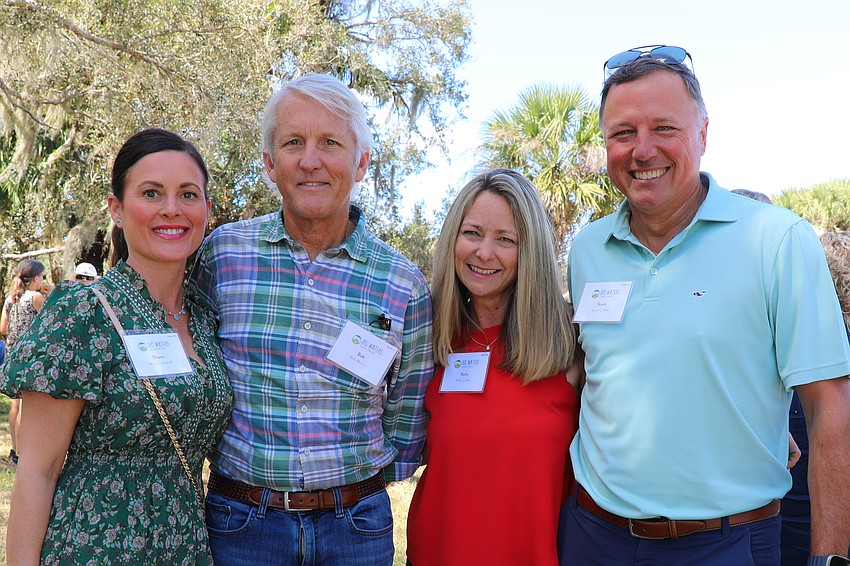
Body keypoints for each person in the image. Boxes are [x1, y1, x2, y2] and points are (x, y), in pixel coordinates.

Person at [558, 45, 850, 566]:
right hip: (592, 536)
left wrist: (828, 557)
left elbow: (829, 406)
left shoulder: (777, 240)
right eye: (623, 133)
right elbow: (594, 377)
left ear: (704, 134)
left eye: (664, 128)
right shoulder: (588, 249)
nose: (642, 150)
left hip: (725, 543)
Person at [189, 73, 434, 566]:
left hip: (356, 529)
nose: (310, 160)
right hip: (241, 526)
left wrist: (354, 487)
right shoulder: (221, 256)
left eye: (330, 143)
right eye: (293, 142)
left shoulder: (402, 282)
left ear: (361, 162)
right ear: (269, 163)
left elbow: (407, 415)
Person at [0, 128, 233, 564]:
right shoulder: (83, 313)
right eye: (151, 193)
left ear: (205, 209)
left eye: (188, 194)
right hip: (94, 547)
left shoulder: (205, 319)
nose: (171, 208)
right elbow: (37, 471)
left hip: (185, 548)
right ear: (117, 209)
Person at [405, 169, 579, 565]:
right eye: (472, 233)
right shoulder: (427, 337)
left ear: (530, 251)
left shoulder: (570, 346)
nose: (484, 253)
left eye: (505, 239)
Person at [0, 258, 47, 467]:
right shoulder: (35, 297)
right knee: (27, 407)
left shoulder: (11, 298)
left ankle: (14, 449)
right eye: (43, 276)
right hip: (31, 357)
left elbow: (2, 328)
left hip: (12, 356)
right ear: (36, 279)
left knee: (16, 405)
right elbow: (49, 322)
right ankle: (23, 452)